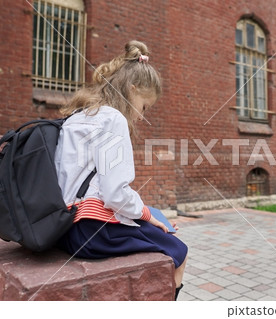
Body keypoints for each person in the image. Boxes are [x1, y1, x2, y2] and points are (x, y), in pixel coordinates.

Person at [54, 40, 188, 300]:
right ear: (132, 89)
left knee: (156, 216)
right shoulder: (113, 118)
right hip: (92, 232)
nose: (142, 116)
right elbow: (114, 195)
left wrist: (148, 214)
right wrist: (147, 215)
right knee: (178, 251)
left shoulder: (78, 116)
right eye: (144, 106)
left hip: (62, 228)